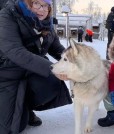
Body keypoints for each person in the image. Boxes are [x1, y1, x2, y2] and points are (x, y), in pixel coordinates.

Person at [0, 0, 72, 134]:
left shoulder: (46, 23)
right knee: (10, 128)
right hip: (7, 75)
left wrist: (74, 61)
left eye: (46, 5)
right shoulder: (7, 15)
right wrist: (53, 68)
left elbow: (56, 48)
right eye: (37, 3)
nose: (42, 9)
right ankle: (20, 111)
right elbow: (15, 51)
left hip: (29, 72)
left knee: (51, 81)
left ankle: (25, 108)